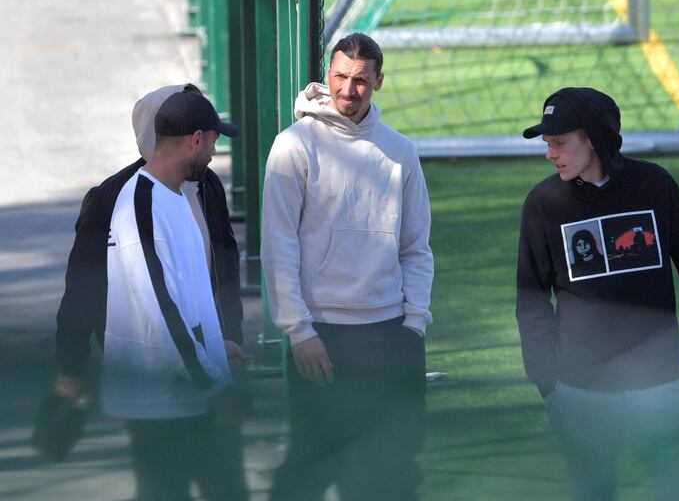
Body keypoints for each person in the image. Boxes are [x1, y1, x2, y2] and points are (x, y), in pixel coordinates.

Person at [515, 87, 679, 500]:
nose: (551, 153)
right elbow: (532, 302)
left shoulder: (654, 186)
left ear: (594, 138)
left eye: (560, 142)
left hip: (658, 384)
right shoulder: (543, 203)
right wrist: (547, 384)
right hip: (581, 393)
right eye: (548, 144)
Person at [53, 85, 251, 500]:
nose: (216, 152)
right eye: (212, 140)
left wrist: (221, 344)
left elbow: (213, 275)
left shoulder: (191, 188)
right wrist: (71, 367)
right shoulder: (134, 202)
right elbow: (159, 309)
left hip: (193, 380)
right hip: (168, 395)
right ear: (193, 138)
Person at [261, 32, 434, 501]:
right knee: (310, 468)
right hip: (323, 336)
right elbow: (279, 246)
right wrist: (299, 331)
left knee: (392, 473)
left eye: (360, 80)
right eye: (340, 76)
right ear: (327, 74)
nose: (348, 90)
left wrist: (414, 324)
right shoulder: (293, 146)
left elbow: (416, 247)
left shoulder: (401, 152)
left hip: (392, 334)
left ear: (379, 80)